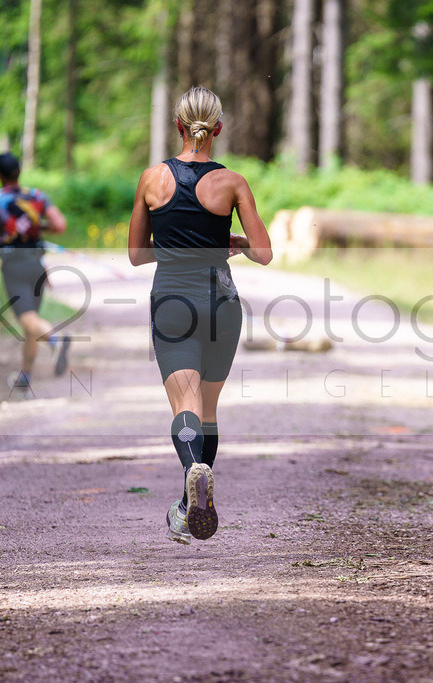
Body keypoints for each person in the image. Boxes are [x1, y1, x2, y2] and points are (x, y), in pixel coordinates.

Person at [128, 86, 272, 544]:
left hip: (173, 302)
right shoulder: (232, 182)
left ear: (177, 126)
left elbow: (135, 254)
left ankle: (193, 474)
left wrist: (174, 249)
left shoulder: (152, 179)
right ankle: (188, 500)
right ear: (218, 130)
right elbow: (264, 254)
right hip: (222, 305)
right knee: (207, 409)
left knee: (184, 407)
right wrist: (234, 244)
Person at [0, 152, 71, 391]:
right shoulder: (37, 196)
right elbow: (59, 225)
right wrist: (37, 226)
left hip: (14, 266)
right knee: (31, 322)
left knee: (27, 319)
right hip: (37, 266)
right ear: (19, 171)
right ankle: (25, 378)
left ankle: (55, 340)